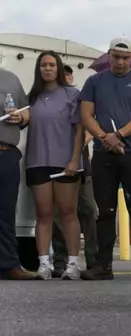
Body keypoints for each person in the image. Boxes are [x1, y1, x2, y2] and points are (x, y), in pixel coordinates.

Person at [79, 36, 131, 281]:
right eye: (116, 56)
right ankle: (103, 265)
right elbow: (86, 115)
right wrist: (105, 138)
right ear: (109, 55)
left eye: (125, 58)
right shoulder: (94, 82)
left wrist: (119, 134)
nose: (120, 62)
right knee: (105, 210)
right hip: (103, 154)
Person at [23, 51, 84, 280]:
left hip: (65, 162)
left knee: (68, 213)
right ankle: (43, 264)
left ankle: (72, 263)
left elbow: (79, 129)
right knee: (43, 214)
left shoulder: (72, 94)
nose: (47, 68)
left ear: (58, 68)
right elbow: (24, 119)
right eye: (43, 65)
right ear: (38, 69)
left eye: (51, 65)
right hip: (37, 161)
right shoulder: (32, 97)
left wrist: (75, 159)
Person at [51, 64, 99, 276]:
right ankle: (60, 260)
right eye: (64, 74)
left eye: (69, 74)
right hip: (58, 163)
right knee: (58, 212)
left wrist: (79, 146)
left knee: (88, 210)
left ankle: (93, 259)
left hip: (82, 165)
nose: (67, 77)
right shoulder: (52, 101)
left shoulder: (82, 98)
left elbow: (90, 126)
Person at [0, 68, 40, 280]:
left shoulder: (10, 78)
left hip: (6, 154)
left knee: (6, 213)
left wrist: (20, 117)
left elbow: (27, 111)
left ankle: (9, 265)